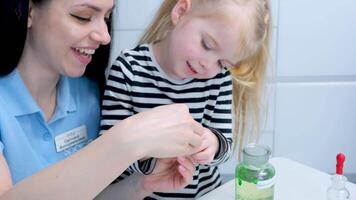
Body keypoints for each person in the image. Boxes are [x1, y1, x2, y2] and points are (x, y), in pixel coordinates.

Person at [0, 0, 207, 199]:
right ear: (27, 11)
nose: (105, 36)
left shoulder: (88, 92)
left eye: (106, 18)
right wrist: (129, 139)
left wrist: (140, 185)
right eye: (83, 16)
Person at [101, 0, 271, 199]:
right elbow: (110, 150)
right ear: (180, 12)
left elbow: (224, 143)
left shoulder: (218, 79)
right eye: (206, 45)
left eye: (222, 62)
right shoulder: (128, 69)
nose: (207, 65)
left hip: (204, 194)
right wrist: (151, 160)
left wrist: (212, 145)